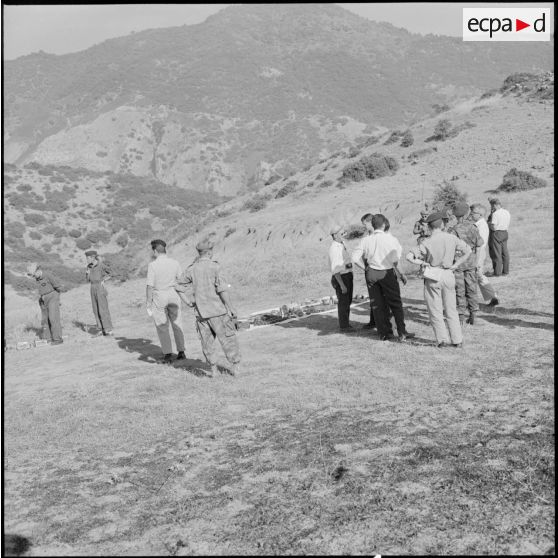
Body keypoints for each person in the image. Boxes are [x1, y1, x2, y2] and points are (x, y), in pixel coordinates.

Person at [406, 212, 472, 348]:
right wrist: (456, 264)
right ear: (442, 224)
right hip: (448, 273)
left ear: (429, 226)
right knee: (451, 309)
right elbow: (468, 251)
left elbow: (409, 257)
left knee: (435, 310)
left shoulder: (426, 241)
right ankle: (457, 340)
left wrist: (423, 263)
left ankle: (442, 340)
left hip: (433, 275)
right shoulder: (451, 238)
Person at [178, 239, 241, 377]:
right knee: (228, 340)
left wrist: (188, 302)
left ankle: (213, 371)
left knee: (207, 343)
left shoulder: (191, 269)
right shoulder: (215, 267)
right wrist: (231, 307)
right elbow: (222, 290)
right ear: (209, 252)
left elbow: (178, 286)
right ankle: (235, 368)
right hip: (218, 312)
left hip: (201, 315)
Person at [352, 214, 412, 342]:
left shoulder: (366, 240)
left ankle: (384, 334)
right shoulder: (391, 239)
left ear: (373, 225)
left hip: (372, 272)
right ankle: (402, 332)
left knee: (377, 304)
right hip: (386, 272)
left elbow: (354, 258)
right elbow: (396, 260)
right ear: (384, 225)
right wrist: (401, 274)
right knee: (395, 303)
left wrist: (365, 268)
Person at [145, 239, 186, 364]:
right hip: (174, 293)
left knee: (162, 326)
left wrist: (148, 302)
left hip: (160, 295)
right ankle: (181, 352)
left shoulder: (153, 265)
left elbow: (150, 286)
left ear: (155, 251)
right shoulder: (175, 262)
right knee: (177, 323)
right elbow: (181, 280)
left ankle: (168, 354)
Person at [447, 202, 483, 325]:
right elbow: (479, 245)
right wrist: (477, 262)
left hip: (458, 262)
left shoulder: (453, 230)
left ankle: (460, 316)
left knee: (459, 289)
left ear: (455, 215)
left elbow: (449, 248)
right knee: (472, 288)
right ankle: (474, 314)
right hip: (471, 261)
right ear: (467, 212)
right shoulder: (474, 227)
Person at [469, 203, 499, 307]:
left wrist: (477, 259)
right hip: (478, 252)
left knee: (478, 274)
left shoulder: (481, 226)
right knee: (478, 275)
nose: (471, 215)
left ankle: (493, 297)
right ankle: (492, 297)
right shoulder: (478, 224)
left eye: (473, 213)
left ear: (480, 214)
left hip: (479, 252)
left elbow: (479, 244)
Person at [26, 263, 63, 345]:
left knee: (53, 318)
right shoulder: (37, 279)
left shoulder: (48, 275)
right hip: (43, 299)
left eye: (34, 275)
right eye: (32, 276)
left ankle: (58, 339)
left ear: (38, 270)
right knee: (45, 320)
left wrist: (57, 299)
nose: (34, 277)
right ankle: (48, 338)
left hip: (52, 297)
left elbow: (58, 287)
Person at [328, 224, 355, 332]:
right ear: (335, 236)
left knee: (347, 301)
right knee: (343, 302)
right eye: (341, 233)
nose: (344, 234)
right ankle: (344, 326)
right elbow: (335, 269)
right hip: (341, 277)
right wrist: (342, 285)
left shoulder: (342, 244)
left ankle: (346, 323)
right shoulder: (334, 248)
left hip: (347, 275)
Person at [85, 250, 113, 336]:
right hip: (92, 287)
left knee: (103, 309)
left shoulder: (101, 265)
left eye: (87, 258)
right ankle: (101, 329)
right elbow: (87, 280)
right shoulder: (88, 267)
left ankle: (108, 329)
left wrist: (104, 280)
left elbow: (111, 273)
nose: (86, 260)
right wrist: (87, 274)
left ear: (92, 257)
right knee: (95, 309)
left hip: (100, 287)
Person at [488, 197, 511, 276]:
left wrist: (489, 224)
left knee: (497, 253)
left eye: (492, 205)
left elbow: (494, 227)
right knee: (505, 253)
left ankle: (497, 273)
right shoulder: (507, 212)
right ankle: (506, 271)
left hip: (497, 233)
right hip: (505, 232)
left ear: (494, 205)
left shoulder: (495, 213)